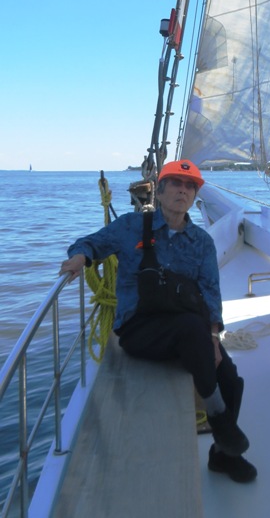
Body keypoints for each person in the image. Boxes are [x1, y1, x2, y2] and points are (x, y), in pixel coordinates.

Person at [59, 159, 257, 483]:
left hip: (188, 332)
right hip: (139, 329)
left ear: (195, 196)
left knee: (232, 379)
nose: (183, 190)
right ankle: (219, 418)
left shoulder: (202, 243)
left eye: (190, 186)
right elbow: (93, 242)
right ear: (161, 190)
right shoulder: (130, 227)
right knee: (192, 330)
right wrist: (81, 256)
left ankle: (223, 457)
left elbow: (209, 291)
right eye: (176, 184)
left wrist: (214, 339)